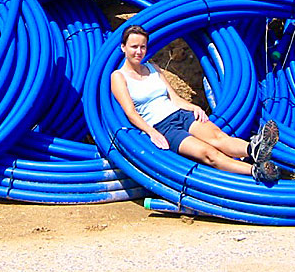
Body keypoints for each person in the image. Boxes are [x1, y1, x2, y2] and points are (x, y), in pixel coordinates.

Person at [110, 24, 279, 183]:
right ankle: (255, 171)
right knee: (209, 154)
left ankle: (254, 149)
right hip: (163, 127)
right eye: (134, 47)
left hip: (180, 114)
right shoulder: (118, 76)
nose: (139, 51)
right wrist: (152, 132)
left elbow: (174, 98)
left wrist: (194, 107)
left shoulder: (153, 67)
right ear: (123, 47)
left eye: (143, 47)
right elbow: (130, 112)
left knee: (218, 137)